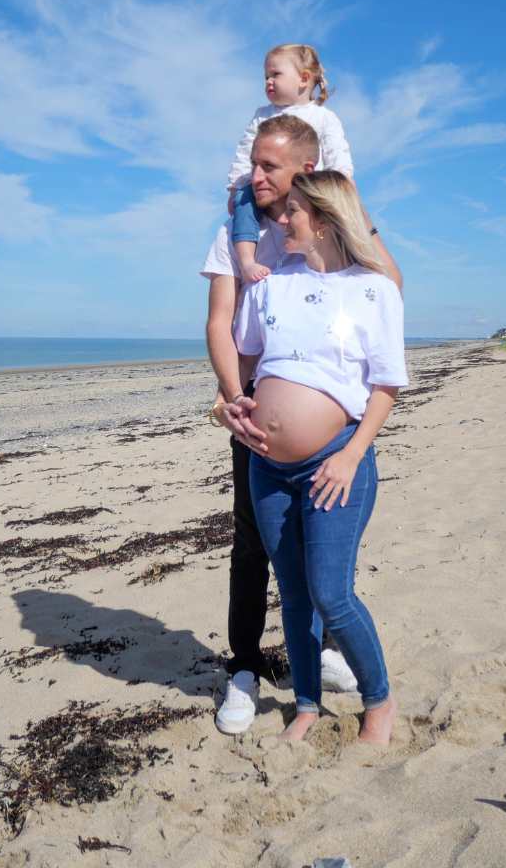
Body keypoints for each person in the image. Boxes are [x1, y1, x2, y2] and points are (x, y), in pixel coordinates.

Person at [200, 115, 401, 736]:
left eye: (270, 170)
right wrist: (228, 401)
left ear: (312, 198)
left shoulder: (370, 287)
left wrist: (349, 455)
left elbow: (387, 378)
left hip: (333, 460)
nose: (254, 181)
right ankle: (295, 697)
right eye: (253, 165)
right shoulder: (263, 275)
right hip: (264, 458)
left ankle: (377, 700)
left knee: (330, 591)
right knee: (279, 581)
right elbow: (241, 346)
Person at [228, 44, 353, 284]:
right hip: (269, 191)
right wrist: (236, 185)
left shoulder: (323, 116)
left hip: (309, 187)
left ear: (304, 78)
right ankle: (246, 259)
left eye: (275, 74)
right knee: (244, 200)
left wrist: (343, 178)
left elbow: (337, 150)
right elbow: (245, 151)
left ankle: (337, 261)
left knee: (333, 214)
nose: (268, 82)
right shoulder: (262, 114)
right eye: (266, 77)